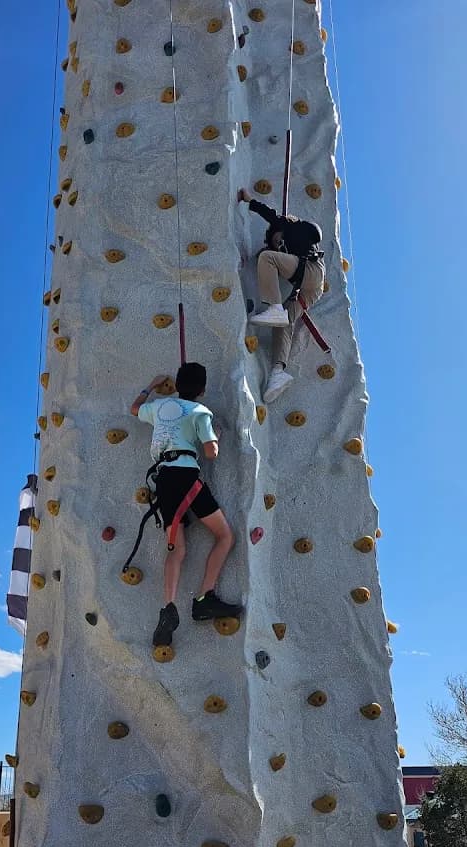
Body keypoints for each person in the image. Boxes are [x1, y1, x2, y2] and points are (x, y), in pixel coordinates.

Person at [131, 363, 243, 647]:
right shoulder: (200, 412)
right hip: (186, 477)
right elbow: (211, 452)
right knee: (225, 536)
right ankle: (204, 598)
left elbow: (135, 409)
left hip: (163, 481)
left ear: (177, 385)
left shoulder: (159, 406)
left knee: (176, 550)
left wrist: (152, 384)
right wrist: (215, 434)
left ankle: (168, 607)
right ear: (202, 390)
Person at [239, 188, 325, 403]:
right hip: (310, 288)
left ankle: (274, 308)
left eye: (279, 240)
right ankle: (278, 373)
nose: (280, 246)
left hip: (311, 272)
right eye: (277, 244)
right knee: (284, 322)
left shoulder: (292, 228)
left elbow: (272, 216)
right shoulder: (291, 249)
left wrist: (250, 201)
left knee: (268, 258)